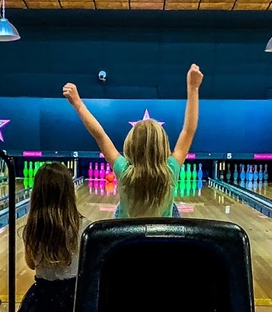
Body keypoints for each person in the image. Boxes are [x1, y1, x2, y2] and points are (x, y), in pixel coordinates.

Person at [63, 64, 202, 218]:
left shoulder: (124, 171)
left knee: (119, 209)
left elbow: (100, 135)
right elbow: (188, 130)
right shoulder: (171, 169)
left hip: (127, 238)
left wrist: (77, 103)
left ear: (131, 145)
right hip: (163, 236)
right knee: (174, 209)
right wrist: (193, 88)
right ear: (163, 146)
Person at [0, 162, 85, 312]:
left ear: (36, 195)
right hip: (75, 302)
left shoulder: (31, 230)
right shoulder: (85, 227)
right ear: (70, 193)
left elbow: (31, 264)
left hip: (44, 302)